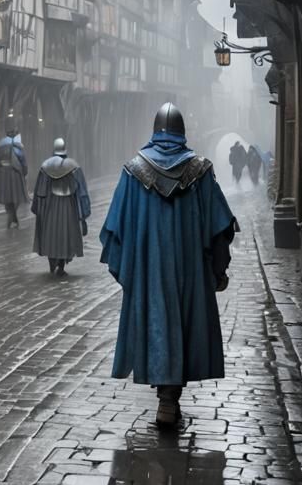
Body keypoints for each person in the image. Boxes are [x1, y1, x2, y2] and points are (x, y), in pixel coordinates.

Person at [100, 103, 237, 428]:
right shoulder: (200, 171)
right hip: (190, 269)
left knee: (158, 325)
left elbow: (116, 231)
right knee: (185, 324)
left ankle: (166, 399)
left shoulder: (134, 171)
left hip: (149, 272)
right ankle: (169, 399)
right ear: (181, 132)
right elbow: (220, 226)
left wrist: (131, 268)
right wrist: (218, 270)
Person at [31, 138, 91, 276]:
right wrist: (85, 214)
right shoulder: (74, 166)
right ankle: (61, 266)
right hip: (68, 208)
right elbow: (82, 192)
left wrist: (36, 208)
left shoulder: (45, 166)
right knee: (66, 234)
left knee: (51, 233)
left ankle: (52, 262)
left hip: (50, 208)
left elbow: (39, 191)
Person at [0, 115, 28, 228]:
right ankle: (12, 216)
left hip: (2, 174)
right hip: (15, 174)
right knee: (17, 197)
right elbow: (23, 161)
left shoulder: (0, 145)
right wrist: (24, 173)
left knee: (7, 198)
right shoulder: (18, 146)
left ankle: (12, 216)